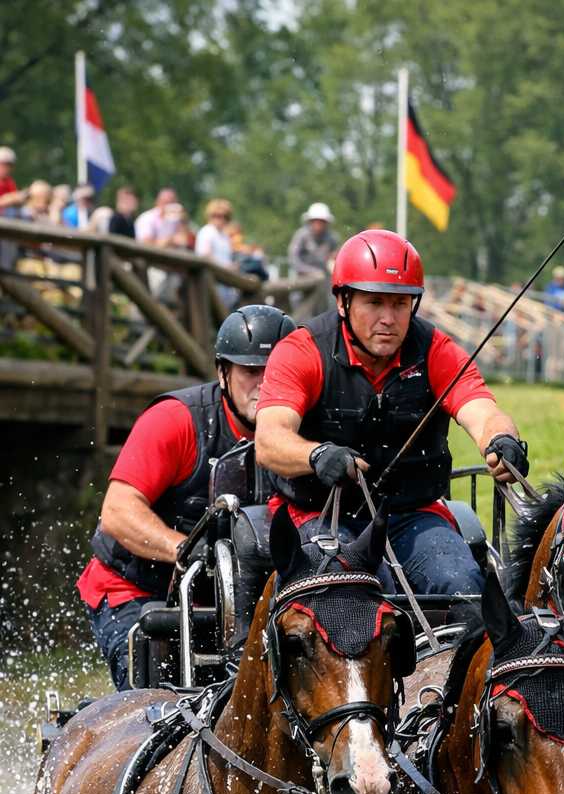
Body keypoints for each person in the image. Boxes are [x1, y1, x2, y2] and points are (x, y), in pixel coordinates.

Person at [255, 228, 528, 598]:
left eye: (400, 304)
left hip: (412, 513)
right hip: (318, 514)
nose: (388, 318)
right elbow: (269, 440)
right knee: (357, 593)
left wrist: (501, 440)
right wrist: (316, 455)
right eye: (374, 302)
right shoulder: (302, 350)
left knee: (464, 586)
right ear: (343, 302)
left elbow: (482, 412)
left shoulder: (436, 350)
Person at [78, 305, 296, 689]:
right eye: (250, 371)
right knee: (161, 703)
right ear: (223, 373)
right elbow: (117, 511)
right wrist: (187, 549)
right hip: (137, 590)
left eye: (275, 372)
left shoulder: (306, 432)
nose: (265, 384)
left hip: (234, 599)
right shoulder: (176, 420)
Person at [287, 202, 336, 276]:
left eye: (321, 222)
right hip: (303, 278)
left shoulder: (331, 238)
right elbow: (293, 259)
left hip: (324, 277)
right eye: (315, 221)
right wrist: (311, 271)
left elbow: (333, 258)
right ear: (310, 221)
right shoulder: (301, 236)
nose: (318, 225)